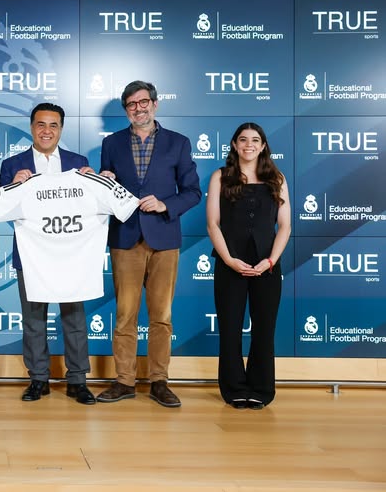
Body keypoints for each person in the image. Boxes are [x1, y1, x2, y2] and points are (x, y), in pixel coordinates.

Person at [97, 80, 201, 408]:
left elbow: (193, 192)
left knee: (161, 316)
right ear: (126, 110)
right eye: (131, 104)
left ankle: (159, 381)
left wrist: (165, 204)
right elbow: (105, 188)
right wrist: (104, 180)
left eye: (143, 102)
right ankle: (124, 381)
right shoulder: (112, 143)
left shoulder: (178, 143)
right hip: (125, 237)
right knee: (125, 315)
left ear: (155, 104)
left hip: (164, 238)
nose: (138, 108)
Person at [0, 103, 99, 405]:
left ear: (61, 129)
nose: (46, 131)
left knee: (74, 318)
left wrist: (95, 181)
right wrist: (13, 186)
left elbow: (93, 204)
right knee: (33, 320)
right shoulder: (12, 164)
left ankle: (78, 380)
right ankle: (38, 379)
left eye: (53, 125)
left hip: (71, 255)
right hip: (31, 255)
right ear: (32, 127)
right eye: (41, 124)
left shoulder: (78, 163)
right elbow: (1, 208)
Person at [206, 122, 290, 410]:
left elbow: (285, 226)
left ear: (263, 145)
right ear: (234, 144)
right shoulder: (221, 176)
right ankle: (234, 389)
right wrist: (229, 260)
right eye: (243, 139)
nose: (249, 145)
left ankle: (261, 389)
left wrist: (271, 261)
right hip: (230, 263)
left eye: (255, 140)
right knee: (230, 329)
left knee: (264, 330)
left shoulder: (276, 178)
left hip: (267, 264)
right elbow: (213, 224)